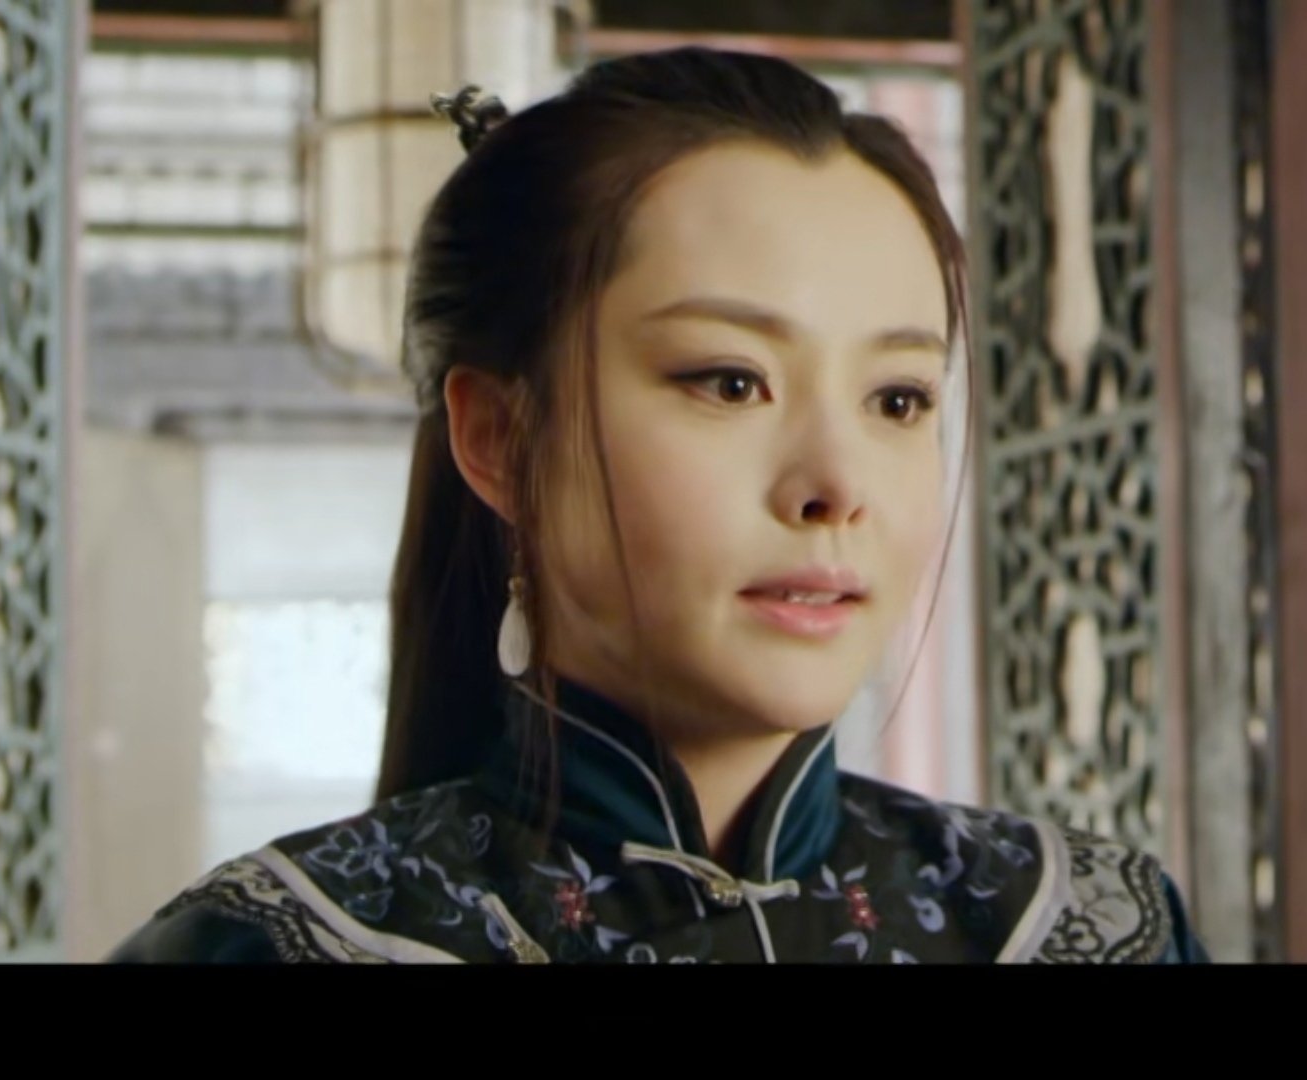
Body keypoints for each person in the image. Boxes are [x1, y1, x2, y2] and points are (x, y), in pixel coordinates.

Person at [108, 46, 1209, 964]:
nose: (835, 487)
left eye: (897, 399)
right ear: (500, 439)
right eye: (729, 382)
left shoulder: (1078, 928)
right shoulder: (285, 943)